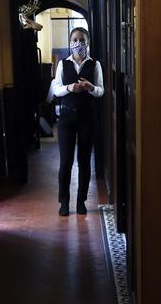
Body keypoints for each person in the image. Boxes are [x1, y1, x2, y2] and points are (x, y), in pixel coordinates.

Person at [50, 27, 104, 216]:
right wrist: (70, 87)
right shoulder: (63, 64)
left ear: (87, 42)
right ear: (70, 42)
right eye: (75, 39)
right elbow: (56, 89)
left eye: (81, 39)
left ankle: (81, 201)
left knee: (84, 161)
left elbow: (101, 91)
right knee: (65, 162)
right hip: (66, 118)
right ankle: (64, 202)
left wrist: (90, 87)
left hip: (87, 118)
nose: (78, 43)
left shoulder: (95, 64)